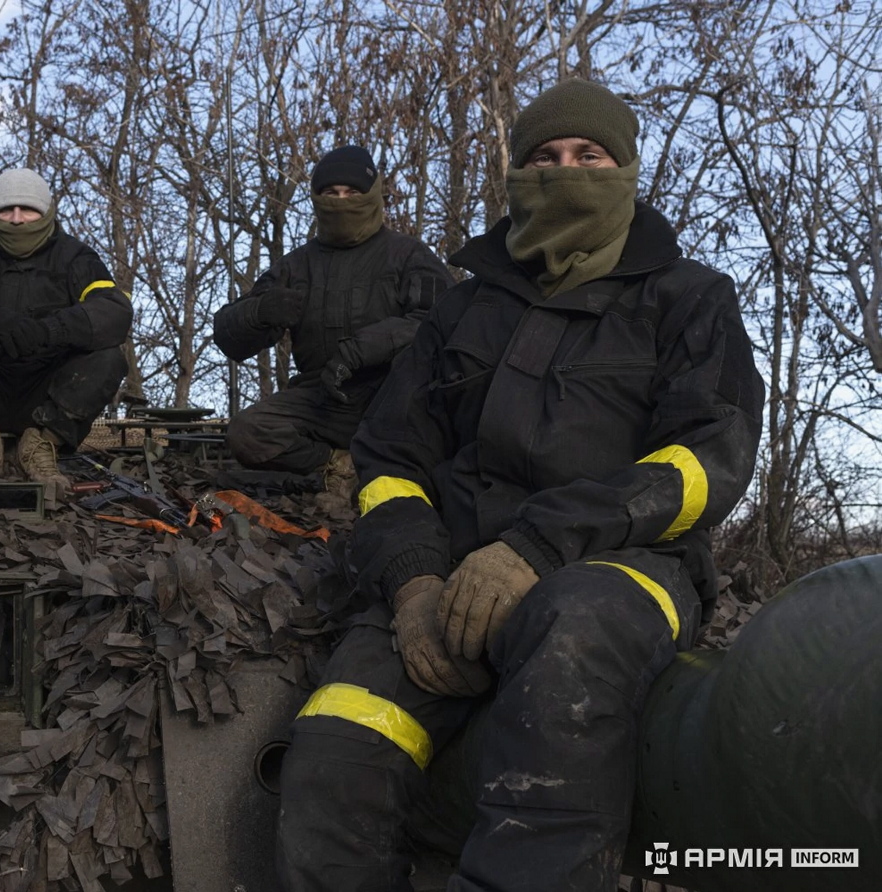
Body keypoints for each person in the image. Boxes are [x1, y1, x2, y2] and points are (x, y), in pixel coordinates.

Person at [275, 80, 764, 890]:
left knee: (571, 646)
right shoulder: (463, 309)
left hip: (626, 569)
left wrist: (539, 546)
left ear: (627, 170)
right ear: (514, 176)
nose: (566, 171)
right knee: (336, 744)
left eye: (588, 156)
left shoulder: (689, 299)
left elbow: (708, 460)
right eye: (544, 158)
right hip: (446, 581)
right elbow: (388, 458)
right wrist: (413, 582)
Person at [212, 146, 453, 510]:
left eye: (352, 193)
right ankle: (338, 466)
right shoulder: (296, 266)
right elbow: (228, 338)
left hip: (393, 397)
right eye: (330, 194)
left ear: (372, 196)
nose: (341, 202)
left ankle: (388, 472)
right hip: (321, 401)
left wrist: (361, 351)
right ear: (317, 199)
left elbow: (440, 324)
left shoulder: (409, 255)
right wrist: (260, 311)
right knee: (248, 432)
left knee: (443, 435)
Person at [0, 168, 132, 497]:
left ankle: (41, 444)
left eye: (28, 209)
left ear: (47, 211)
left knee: (108, 357)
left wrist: (51, 330)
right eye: (6, 210)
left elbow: (113, 309)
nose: (18, 219)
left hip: (47, 387)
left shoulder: (76, 256)